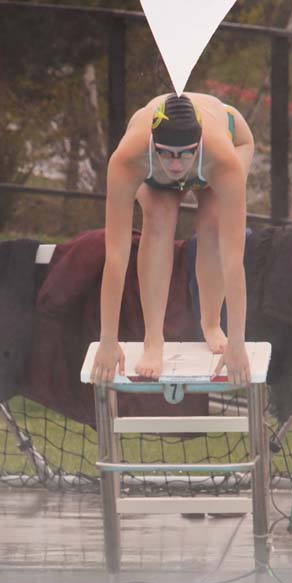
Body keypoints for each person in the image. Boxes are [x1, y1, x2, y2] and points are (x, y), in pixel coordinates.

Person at [90, 93, 254, 386]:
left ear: (198, 144)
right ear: (153, 144)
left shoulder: (223, 159)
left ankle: (212, 323)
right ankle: (153, 339)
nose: (176, 166)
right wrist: (107, 340)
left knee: (213, 220)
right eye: (166, 153)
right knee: (160, 217)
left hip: (227, 142)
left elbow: (233, 259)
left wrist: (237, 342)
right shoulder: (128, 159)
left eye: (184, 154)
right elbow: (116, 256)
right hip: (158, 169)